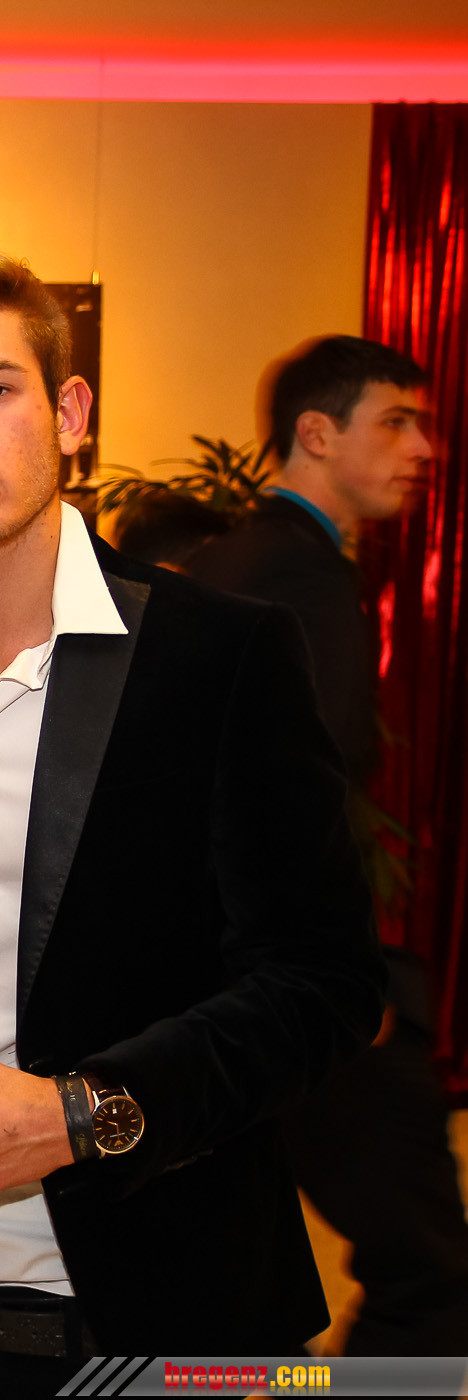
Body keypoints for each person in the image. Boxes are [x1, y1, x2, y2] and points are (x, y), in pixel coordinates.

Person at [0, 240, 384, 1398]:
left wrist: (84, 1114)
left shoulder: (220, 656)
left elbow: (325, 981)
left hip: (144, 1320)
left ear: (70, 412)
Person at [189, 336, 467, 1355]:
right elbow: (290, 799)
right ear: (316, 432)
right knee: (432, 1273)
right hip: (289, 982)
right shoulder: (294, 575)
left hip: (224, 982)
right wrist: (339, 975)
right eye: (397, 422)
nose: (425, 448)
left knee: (237, 1275)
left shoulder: (231, 560)